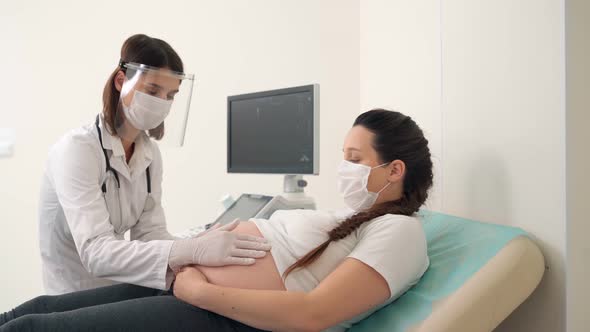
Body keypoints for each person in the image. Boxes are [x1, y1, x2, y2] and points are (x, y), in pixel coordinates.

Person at [2, 109, 432, 332]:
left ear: (395, 170)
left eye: (355, 159)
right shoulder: (349, 216)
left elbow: (313, 314)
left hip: (225, 317)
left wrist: (198, 291)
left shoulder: (401, 231)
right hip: (185, 285)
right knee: (38, 311)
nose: (344, 169)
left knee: (36, 330)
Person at [37, 34, 271, 295]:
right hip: (71, 297)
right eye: (153, 91)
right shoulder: (78, 150)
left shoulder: (149, 154)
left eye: (171, 95)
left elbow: (150, 233)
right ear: (120, 81)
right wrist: (190, 250)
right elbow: (95, 252)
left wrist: (196, 244)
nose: (162, 103)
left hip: (124, 290)